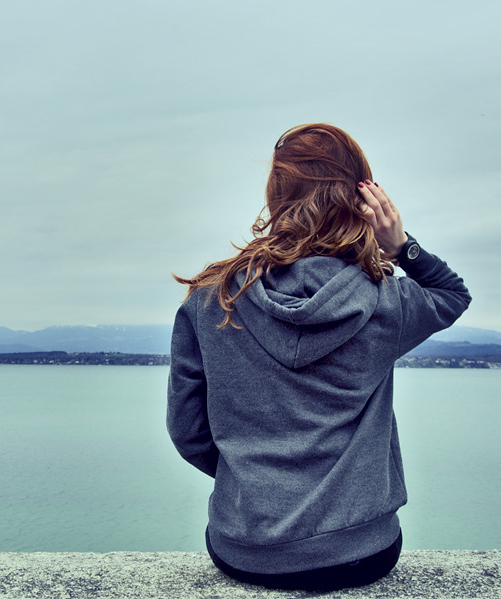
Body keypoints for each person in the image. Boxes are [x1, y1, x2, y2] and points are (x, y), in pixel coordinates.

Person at [166, 123, 471, 591]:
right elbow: (452, 294)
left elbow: (187, 431)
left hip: (245, 552)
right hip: (359, 553)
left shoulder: (212, 299)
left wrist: (246, 479)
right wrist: (401, 246)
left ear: (275, 195)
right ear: (361, 198)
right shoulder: (384, 301)